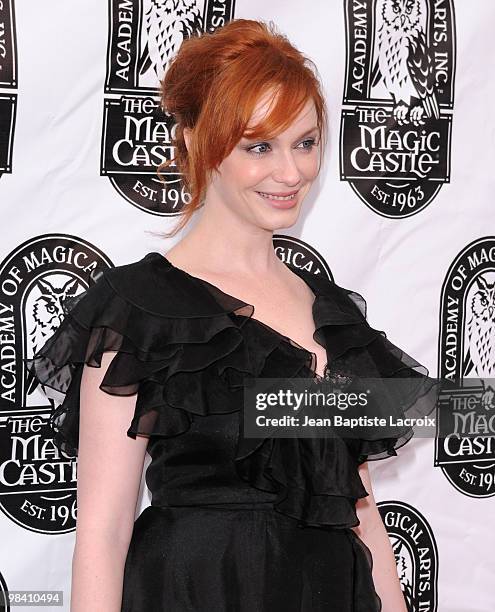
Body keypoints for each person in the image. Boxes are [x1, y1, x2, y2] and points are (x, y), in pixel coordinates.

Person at [27, 19, 439, 612]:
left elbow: (357, 508)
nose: (292, 172)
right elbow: (103, 531)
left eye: (305, 142)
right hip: (196, 592)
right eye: (259, 146)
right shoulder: (138, 312)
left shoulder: (335, 314)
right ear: (194, 139)